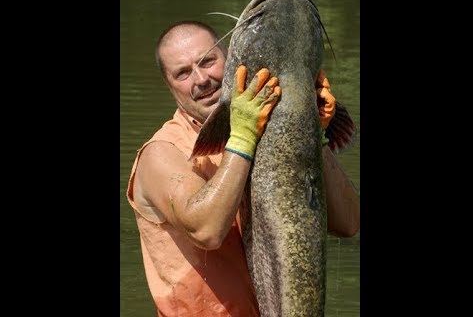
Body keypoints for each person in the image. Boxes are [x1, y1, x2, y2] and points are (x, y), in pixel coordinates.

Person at [126, 20, 360, 316]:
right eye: (183, 73)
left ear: (231, 57)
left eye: (208, 61)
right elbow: (207, 231)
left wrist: (310, 130)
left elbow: (349, 223)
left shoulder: (265, 128)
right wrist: (242, 136)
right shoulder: (160, 154)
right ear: (169, 85)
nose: (201, 79)